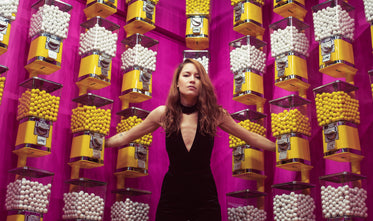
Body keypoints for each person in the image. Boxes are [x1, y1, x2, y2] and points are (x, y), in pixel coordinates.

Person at [106, 59, 275, 221]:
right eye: (186, 75)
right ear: (177, 83)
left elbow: (250, 137)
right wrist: (102, 143)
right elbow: (126, 136)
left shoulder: (215, 114)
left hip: (205, 196)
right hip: (172, 196)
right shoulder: (162, 114)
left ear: (202, 84)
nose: (192, 80)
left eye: (198, 76)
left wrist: (279, 148)